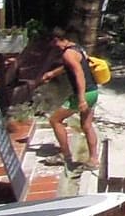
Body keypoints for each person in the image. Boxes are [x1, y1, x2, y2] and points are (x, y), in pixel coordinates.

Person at [38, 29, 98, 170]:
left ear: (57, 40)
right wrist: (52, 73)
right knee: (87, 126)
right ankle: (94, 160)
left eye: (54, 43)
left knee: (55, 120)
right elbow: (71, 66)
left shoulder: (67, 54)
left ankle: (65, 156)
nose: (54, 47)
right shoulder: (77, 48)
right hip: (93, 91)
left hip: (84, 94)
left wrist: (81, 98)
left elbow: (79, 74)